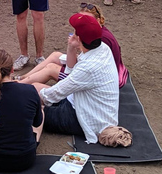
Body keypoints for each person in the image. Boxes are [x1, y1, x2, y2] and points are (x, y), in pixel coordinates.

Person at [35, 13, 119, 144]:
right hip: (82, 104)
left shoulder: (88, 68)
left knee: (30, 107)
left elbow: (53, 95)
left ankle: (30, 141)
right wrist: (71, 47)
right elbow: (71, 69)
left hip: (83, 119)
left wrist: (26, 98)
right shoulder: (102, 48)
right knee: (35, 87)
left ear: (79, 38)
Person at [16, 3, 128, 88]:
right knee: (55, 56)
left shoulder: (101, 40)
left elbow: (86, 68)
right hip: (101, 70)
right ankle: (23, 78)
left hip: (101, 80)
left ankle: (18, 86)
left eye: (88, 20)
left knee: (51, 69)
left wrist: (72, 51)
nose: (83, 24)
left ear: (98, 20)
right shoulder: (99, 31)